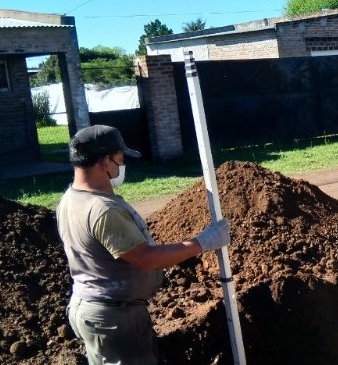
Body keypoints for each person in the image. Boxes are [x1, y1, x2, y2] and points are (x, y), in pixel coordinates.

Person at [56, 124, 231, 364]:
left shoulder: (69, 199)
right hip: (115, 318)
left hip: (95, 309)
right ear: (104, 162)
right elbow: (145, 257)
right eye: (120, 159)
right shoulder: (102, 209)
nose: (123, 165)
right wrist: (203, 242)